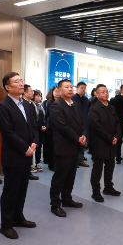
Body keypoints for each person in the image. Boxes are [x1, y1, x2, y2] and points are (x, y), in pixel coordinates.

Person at [0, 72, 38, 239]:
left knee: (22, 189)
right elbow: (8, 132)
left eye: (21, 80)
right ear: (7, 87)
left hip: (27, 154)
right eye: (16, 81)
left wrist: (34, 142)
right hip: (13, 155)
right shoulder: (3, 106)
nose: (21, 84)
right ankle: (6, 225)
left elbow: (33, 126)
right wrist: (25, 147)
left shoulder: (26, 104)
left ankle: (18, 217)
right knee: (11, 191)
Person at [48, 79, 85, 217]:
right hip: (63, 147)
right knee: (60, 176)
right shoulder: (56, 106)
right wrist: (77, 138)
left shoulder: (75, 104)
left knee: (71, 175)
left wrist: (83, 135)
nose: (70, 89)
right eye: (66, 87)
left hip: (75, 146)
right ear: (59, 90)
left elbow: (82, 122)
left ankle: (67, 199)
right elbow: (62, 126)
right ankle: (55, 204)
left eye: (71, 86)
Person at [88, 84, 121, 202]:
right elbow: (97, 127)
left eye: (106, 91)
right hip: (100, 143)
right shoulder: (94, 108)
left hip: (112, 143)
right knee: (97, 169)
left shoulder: (111, 107)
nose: (105, 94)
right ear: (96, 94)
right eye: (102, 92)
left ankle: (108, 187)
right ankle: (96, 192)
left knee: (110, 167)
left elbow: (118, 123)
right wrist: (110, 138)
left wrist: (117, 136)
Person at [22, 84, 40, 181]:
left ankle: (28, 171)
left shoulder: (31, 104)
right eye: (31, 91)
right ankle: (26, 172)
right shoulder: (22, 104)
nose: (33, 93)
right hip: (26, 132)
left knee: (32, 151)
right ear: (25, 93)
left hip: (33, 130)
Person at [72, 82, 90, 167]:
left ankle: (80, 159)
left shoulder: (86, 99)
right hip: (76, 123)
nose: (83, 89)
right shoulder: (73, 98)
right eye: (82, 88)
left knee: (83, 141)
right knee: (76, 142)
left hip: (85, 123)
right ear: (77, 88)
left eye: (84, 88)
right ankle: (74, 161)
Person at [43, 86, 60, 171]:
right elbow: (49, 114)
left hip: (60, 127)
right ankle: (51, 164)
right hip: (51, 127)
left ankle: (57, 163)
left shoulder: (62, 101)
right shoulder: (49, 102)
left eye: (58, 91)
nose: (57, 93)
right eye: (56, 91)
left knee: (58, 146)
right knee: (51, 146)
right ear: (52, 93)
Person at [33, 90, 46, 172]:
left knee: (39, 147)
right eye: (37, 96)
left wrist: (44, 126)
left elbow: (44, 117)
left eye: (40, 96)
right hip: (35, 129)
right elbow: (33, 119)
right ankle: (32, 165)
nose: (39, 98)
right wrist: (39, 127)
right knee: (34, 146)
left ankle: (38, 163)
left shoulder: (41, 106)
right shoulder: (32, 105)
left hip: (42, 129)